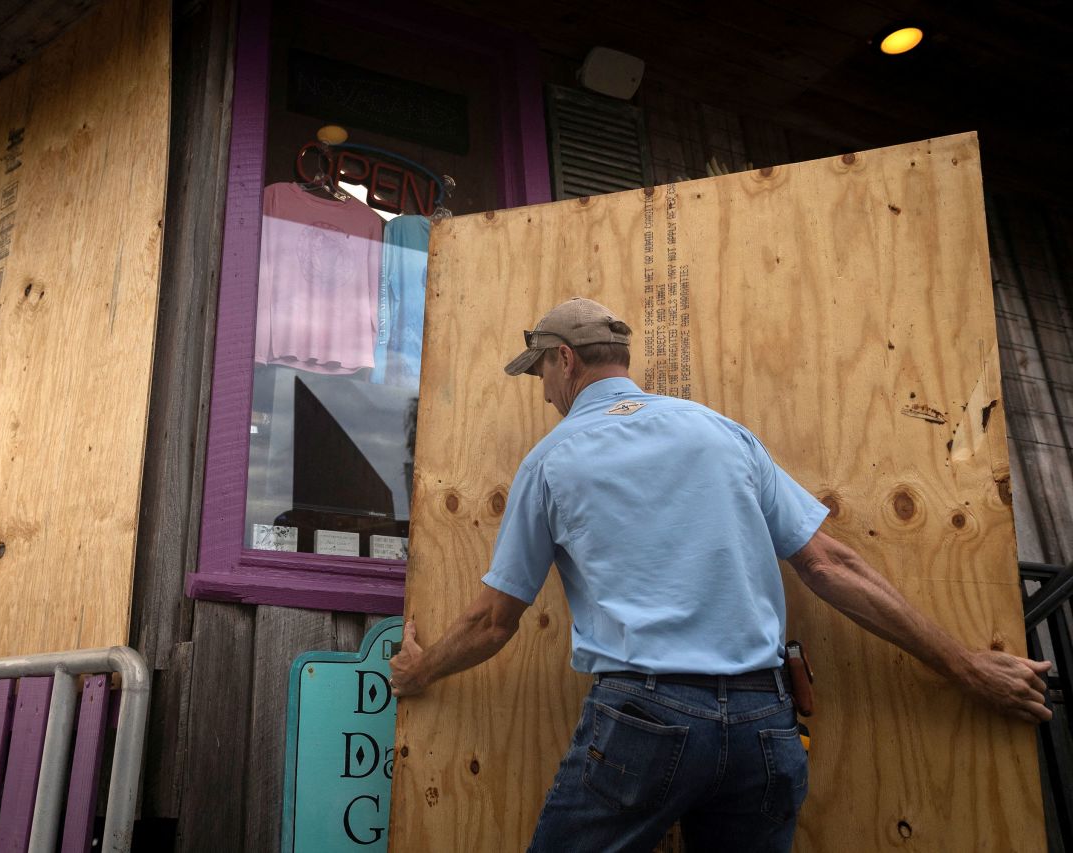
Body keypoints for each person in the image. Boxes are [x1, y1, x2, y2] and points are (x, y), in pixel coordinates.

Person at [387, 296, 1052, 852]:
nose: (544, 391)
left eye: (541, 373)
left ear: (565, 360)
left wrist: (419, 671)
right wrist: (966, 667)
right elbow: (832, 565)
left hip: (644, 719)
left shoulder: (552, 459)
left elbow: (492, 620)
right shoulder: (723, 433)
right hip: (766, 719)